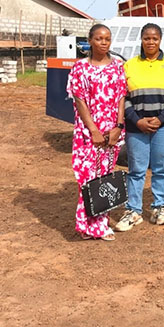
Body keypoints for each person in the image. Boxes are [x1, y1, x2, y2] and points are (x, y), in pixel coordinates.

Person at [114, 23, 164, 232]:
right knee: (136, 170)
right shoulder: (129, 65)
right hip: (136, 127)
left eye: (155, 38)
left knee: (161, 168)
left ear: (160, 40)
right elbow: (123, 97)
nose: (151, 42)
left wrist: (161, 119)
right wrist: (137, 120)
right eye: (147, 38)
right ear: (141, 40)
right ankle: (133, 211)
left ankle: (159, 208)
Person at [67, 23, 127, 241]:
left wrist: (118, 127)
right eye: (99, 38)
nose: (104, 43)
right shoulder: (80, 68)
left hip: (111, 131)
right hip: (88, 132)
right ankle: (86, 225)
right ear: (90, 41)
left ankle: (100, 225)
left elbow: (121, 97)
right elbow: (80, 101)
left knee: (104, 177)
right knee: (86, 177)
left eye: (107, 39)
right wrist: (93, 130)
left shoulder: (118, 66)